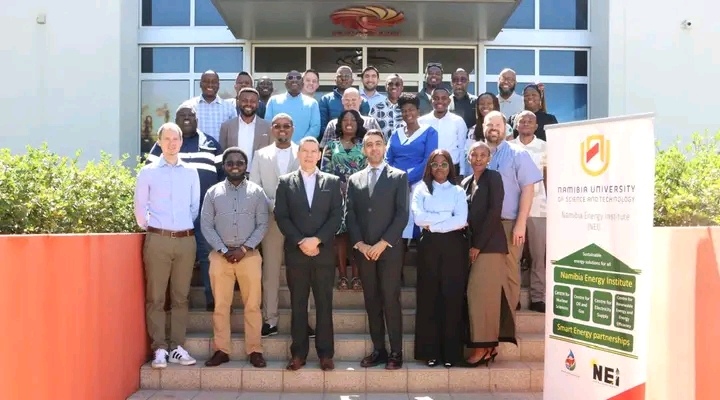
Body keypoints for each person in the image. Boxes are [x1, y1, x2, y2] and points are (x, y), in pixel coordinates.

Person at [134, 122, 200, 369]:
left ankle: (177, 347)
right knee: (156, 297)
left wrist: (180, 226)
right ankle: (159, 348)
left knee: (181, 296)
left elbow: (194, 207)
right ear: (159, 142)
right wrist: (155, 227)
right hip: (158, 240)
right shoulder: (148, 172)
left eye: (176, 139)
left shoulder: (191, 172)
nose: (172, 143)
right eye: (167, 139)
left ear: (181, 142)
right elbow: (140, 208)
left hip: (185, 240)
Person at [274, 136, 343, 371]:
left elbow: (336, 215)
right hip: (297, 252)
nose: (309, 155)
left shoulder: (332, 182)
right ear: (298, 153)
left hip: (323, 253)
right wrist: (301, 241)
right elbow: (281, 215)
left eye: (314, 151)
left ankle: (326, 354)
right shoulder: (285, 182)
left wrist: (317, 240)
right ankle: (298, 354)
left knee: (324, 304)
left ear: (320, 155)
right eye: (305, 151)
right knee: (298, 304)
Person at [146, 104, 223, 311]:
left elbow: (222, 177)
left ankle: (212, 299)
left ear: (197, 119)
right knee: (171, 261)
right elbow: (149, 175)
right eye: (182, 115)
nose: (187, 118)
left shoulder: (211, 144)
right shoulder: (163, 146)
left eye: (191, 115)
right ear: (176, 120)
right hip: (172, 218)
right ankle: (169, 302)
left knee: (207, 256)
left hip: (206, 213)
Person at [346, 129, 409, 370]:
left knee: (390, 299)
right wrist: (361, 244)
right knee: (371, 300)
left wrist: (383, 243)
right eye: (369, 144)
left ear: (384, 147)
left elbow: (402, 215)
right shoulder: (355, 179)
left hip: (389, 250)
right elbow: (350, 214)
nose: (374, 148)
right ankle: (379, 350)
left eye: (378, 143)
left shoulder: (398, 177)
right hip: (364, 252)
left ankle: (396, 352)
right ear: (364, 149)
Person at [200, 147, 269, 368]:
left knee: (253, 305)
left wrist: (245, 248)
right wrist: (222, 249)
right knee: (221, 306)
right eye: (230, 163)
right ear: (224, 166)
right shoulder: (213, 193)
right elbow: (206, 225)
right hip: (221, 257)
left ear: (246, 166)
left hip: (249, 256)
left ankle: (255, 350)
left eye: (240, 162)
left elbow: (263, 224)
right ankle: (222, 350)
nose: (235, 166)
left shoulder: (257, 192)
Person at [249, 114, 314, 338]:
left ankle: (303, 321)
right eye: (278, 126)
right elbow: (255, 188)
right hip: (272, 220)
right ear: (272, 129)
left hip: (300, 223)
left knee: (302, 273)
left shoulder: (303, 152)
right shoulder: (260, 155)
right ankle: (270, 320)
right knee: (271, 272)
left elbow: (309, 184)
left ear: (293, 128)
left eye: (287, 126)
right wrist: (276, 206)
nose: (282, 129)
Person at [411, 149, 469, 368]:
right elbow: (419, 218)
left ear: (450, 167)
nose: (439, 168)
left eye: (444, 164)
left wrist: (434, 224)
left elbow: (461, 220)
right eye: (435, 164)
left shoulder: (457, 190)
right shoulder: (421, 189)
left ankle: (451, 353)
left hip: (454, 248)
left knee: (452, 297)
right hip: (429, 248)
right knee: (429, 297)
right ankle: (430, 352)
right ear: (429, 167)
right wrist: (447, 217)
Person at [461, 141, 516, 366]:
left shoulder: (493, 178)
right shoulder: (466, 182)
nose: (478, 159)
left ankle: (483, 348)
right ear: (468, 157)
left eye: (483, 155)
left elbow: (494, 213)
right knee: (480, 297)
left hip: (490, 247)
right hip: (473, 247)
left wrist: (478, 246)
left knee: (480, 296)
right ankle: (489, 347)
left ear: (489, 158)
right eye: (474, 155)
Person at [320, 110, 368, 291]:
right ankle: (342, 276)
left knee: (357, 235)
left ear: (358, 123)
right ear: (339, 123)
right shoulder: (330, 146)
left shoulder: (364, 145)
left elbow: (369, 169)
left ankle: (356, 276)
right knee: (339, 237)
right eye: (345, 120)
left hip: (359, 196)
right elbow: (324, 171)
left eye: (353, 120)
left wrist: (354, 185)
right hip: (336, 197)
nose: (349, 123)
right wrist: (338, 185)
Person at [385, 93, 439, 243]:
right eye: (404, 111)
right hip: (395, 182)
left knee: (416, 217)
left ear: (418, 111)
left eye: (411, 109)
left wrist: (407, 180)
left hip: (419, 182)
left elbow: (429, 160)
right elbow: (388, 159)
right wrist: (396, 179)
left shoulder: (430, 132)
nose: (407, 113)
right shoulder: (396, 134)